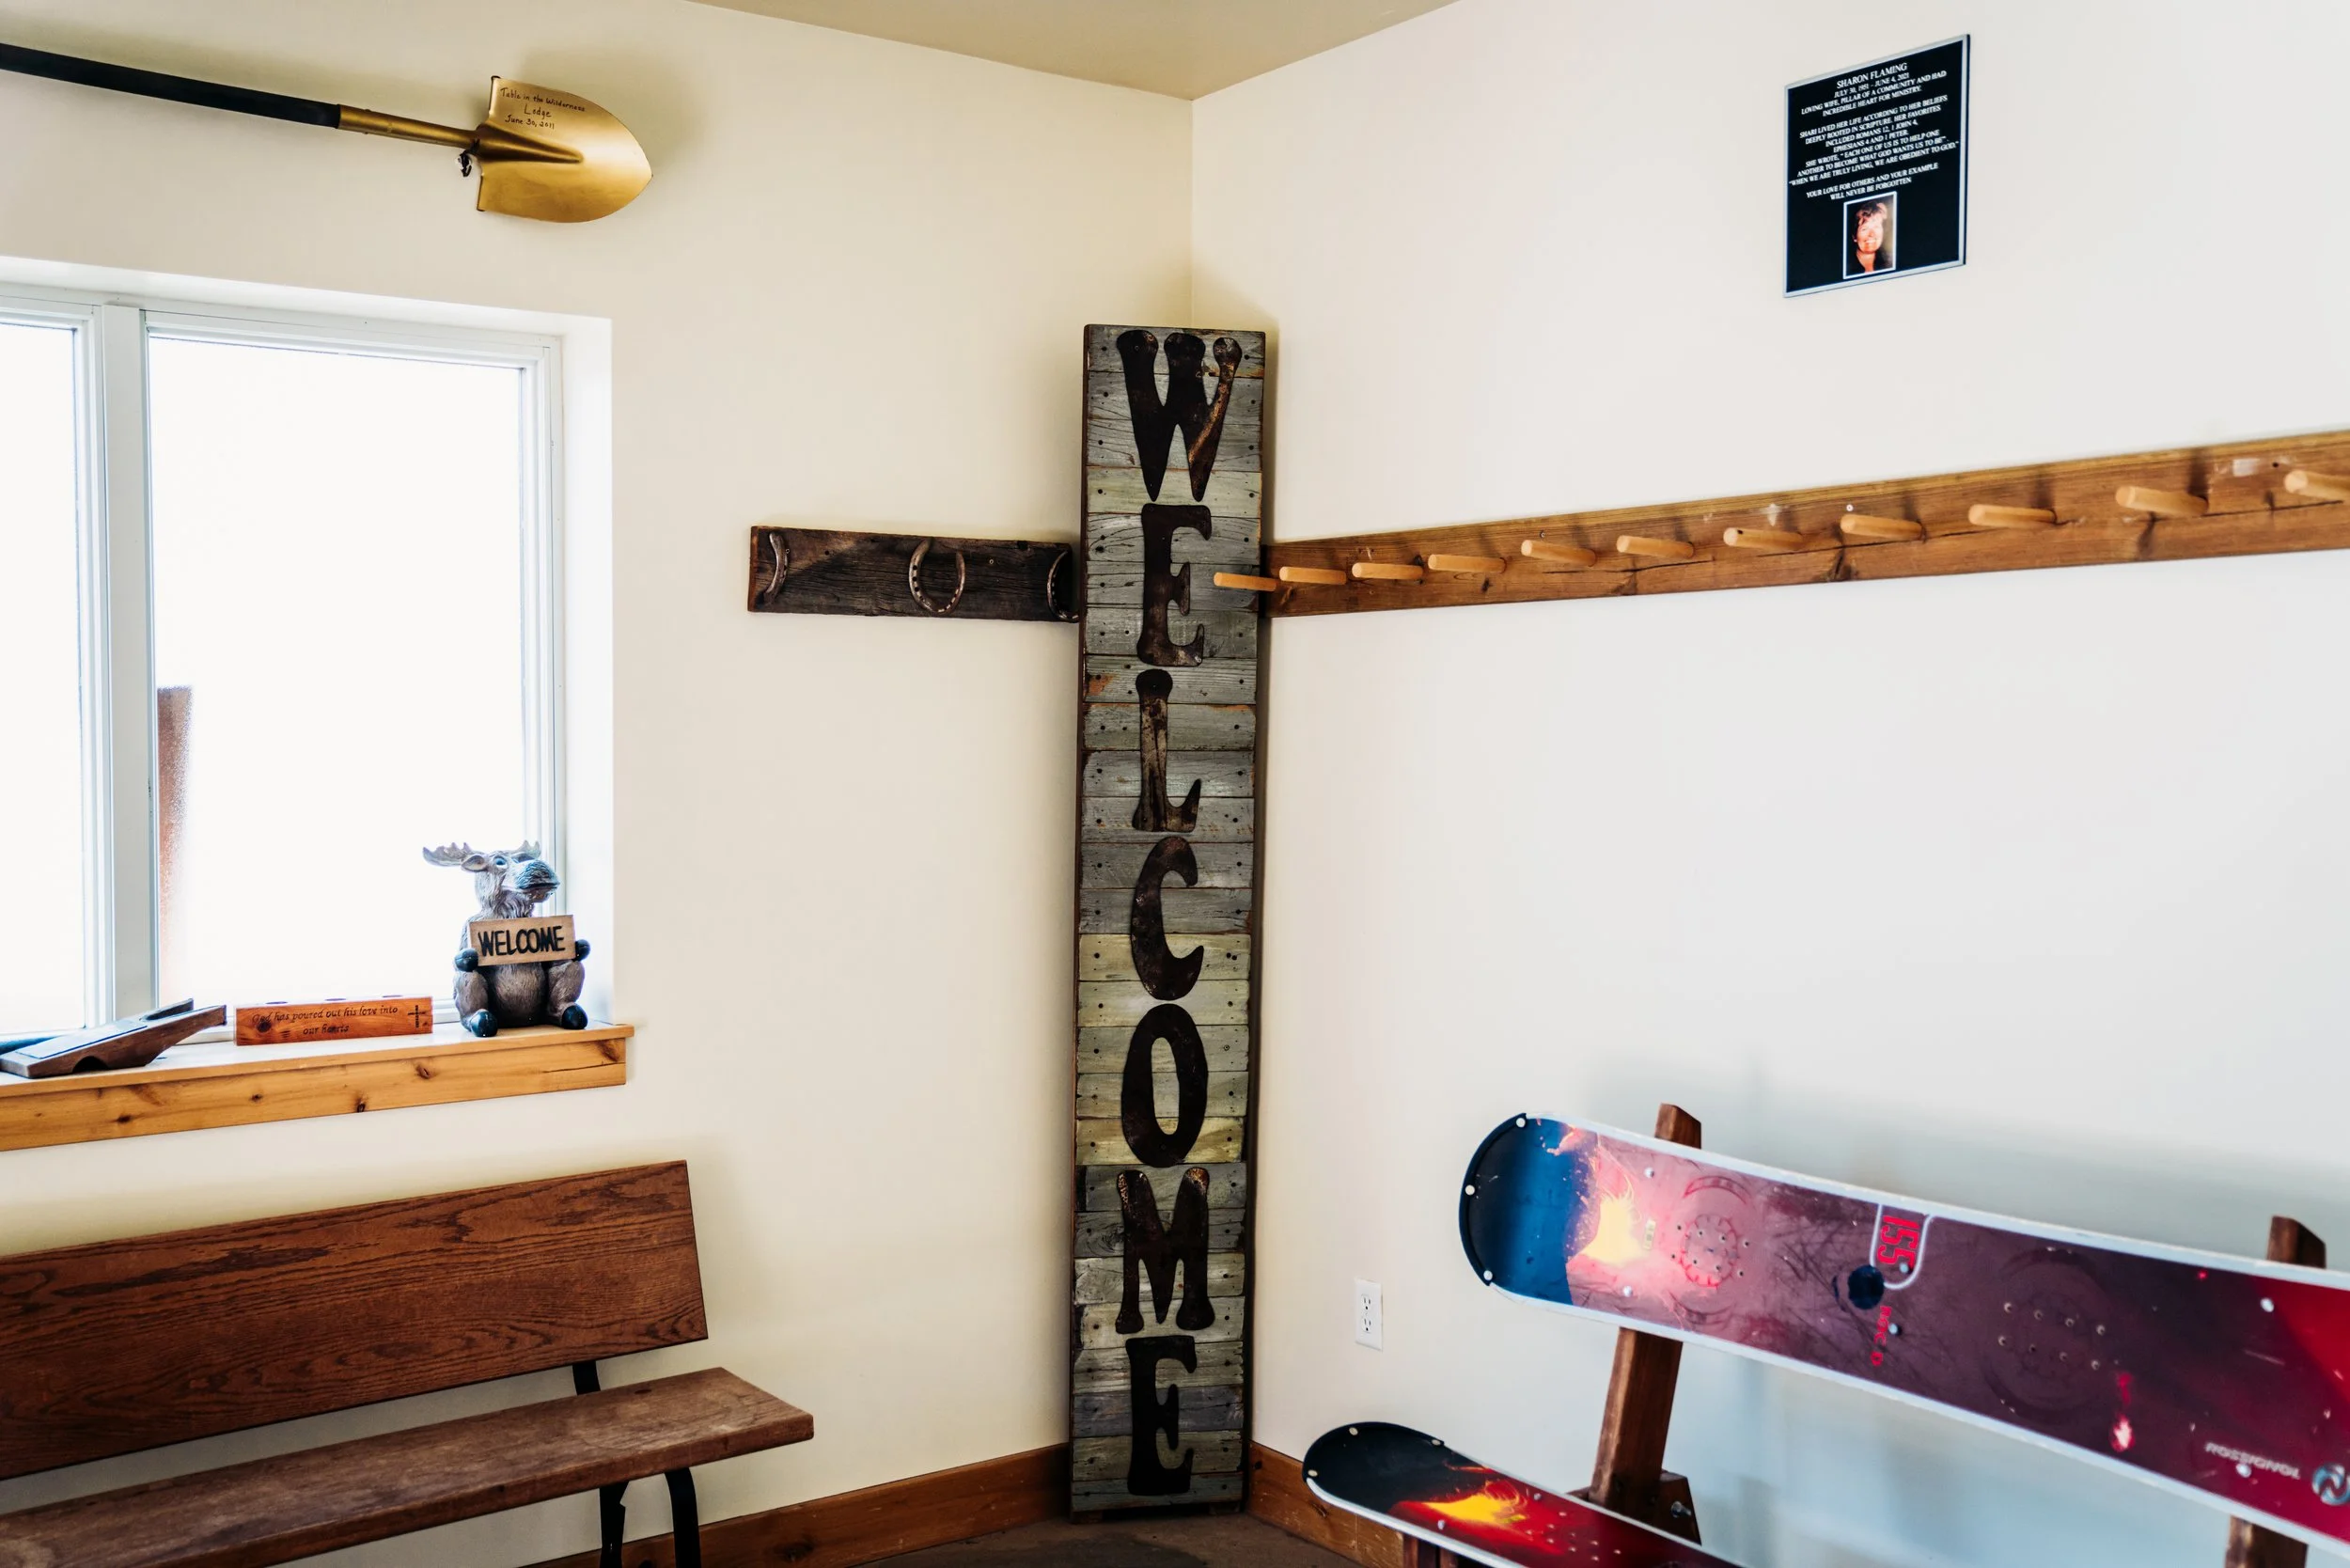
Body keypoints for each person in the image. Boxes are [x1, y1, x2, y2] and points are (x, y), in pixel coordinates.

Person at [1850, 197, 1893, 275]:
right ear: (1854, 236)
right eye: (1865, 229)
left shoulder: (1891, 261)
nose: (1871, 234)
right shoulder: (1847, 268)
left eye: (1876, 227)